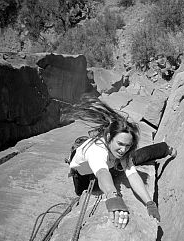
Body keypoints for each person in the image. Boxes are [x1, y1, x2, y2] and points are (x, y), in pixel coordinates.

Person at [69, 96, 176, 229]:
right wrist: (113, 197)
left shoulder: (122, 151)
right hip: (83, 174)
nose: (123, 149)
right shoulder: (96, 151)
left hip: (110, 164)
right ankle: (75, 150)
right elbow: (102, 173)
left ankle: (164, 149)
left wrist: (149, 202)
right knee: (80, 191)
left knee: (133, 158)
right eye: (120, 143)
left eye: (127, 145)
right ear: (108, 137)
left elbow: (132, 175)